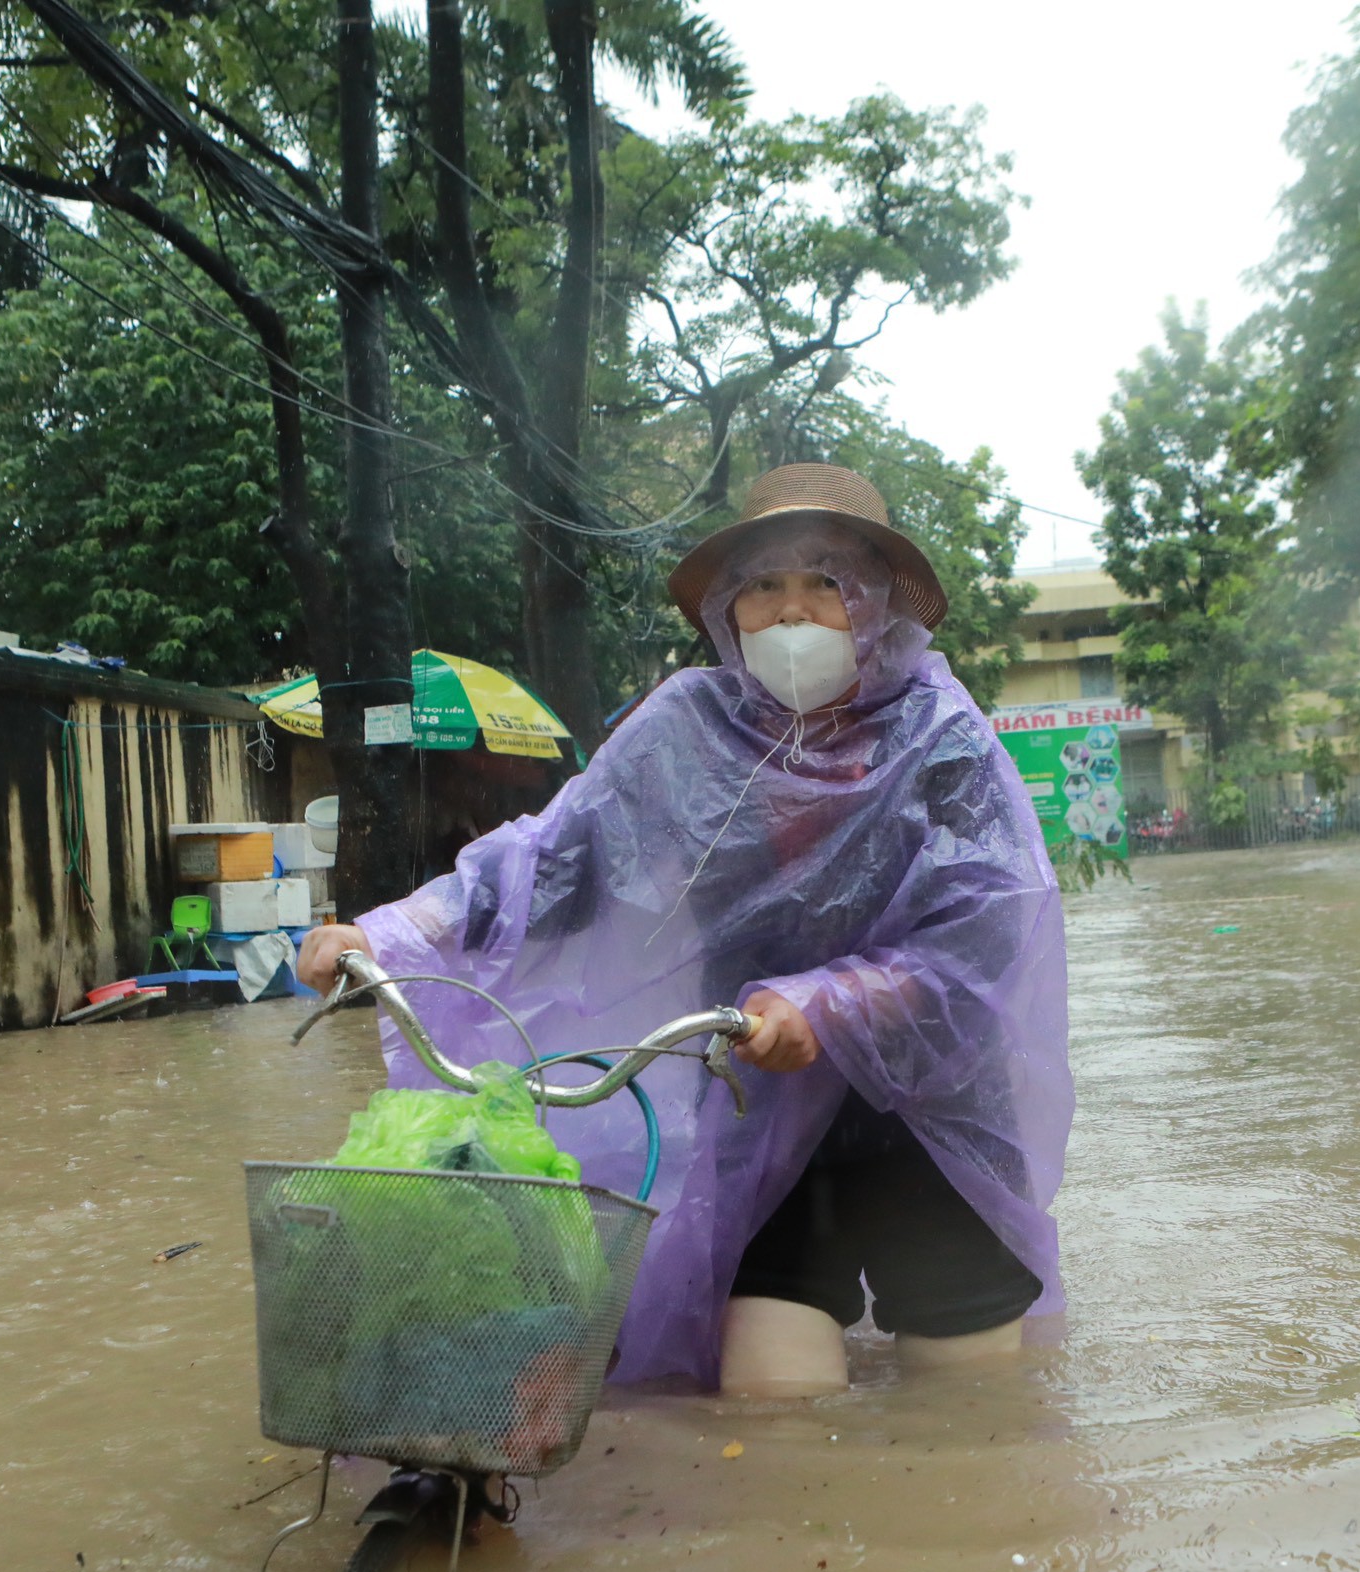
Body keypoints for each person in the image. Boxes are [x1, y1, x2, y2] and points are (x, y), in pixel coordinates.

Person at [296, 464, 1072, 1396]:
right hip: (759, 1116)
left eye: (824, 583)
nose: (792, 614)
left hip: (930, 1119)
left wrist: (825, 1002)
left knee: (972, 1419)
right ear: (728, 608)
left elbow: (987, 930)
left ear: (873, 601)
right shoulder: (684, 730)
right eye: (764, 586)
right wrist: (389, 934)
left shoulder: (941, 735)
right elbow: (554, 858)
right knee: (767, 1399)